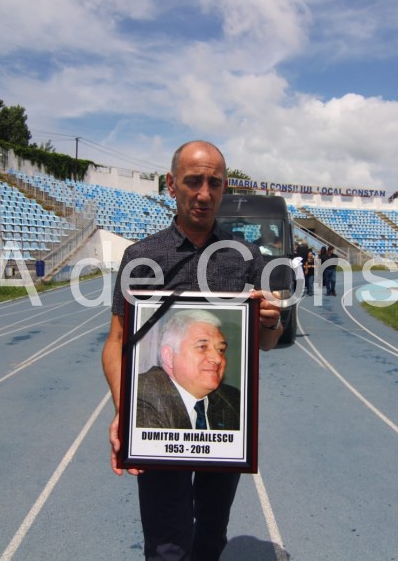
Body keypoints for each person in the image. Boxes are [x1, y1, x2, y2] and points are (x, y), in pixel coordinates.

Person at [102, 140, 283, 561]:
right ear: (171, 185)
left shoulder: (247, 257)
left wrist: (271, 322)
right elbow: (116, 342)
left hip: (223, 424)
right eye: (193, 181)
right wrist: (124, 410)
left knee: (211, 534)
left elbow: (265, 344)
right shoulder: (142, 256)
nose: (204, 193)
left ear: (224, 189)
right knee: (166, 543)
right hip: (158, 418)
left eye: (214, 183)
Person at [137, 309, 239, 430]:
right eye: (202, 347)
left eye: (221, 350)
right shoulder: (142, 393)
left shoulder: (234, 399)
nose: (217, 359)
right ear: (169, 356)